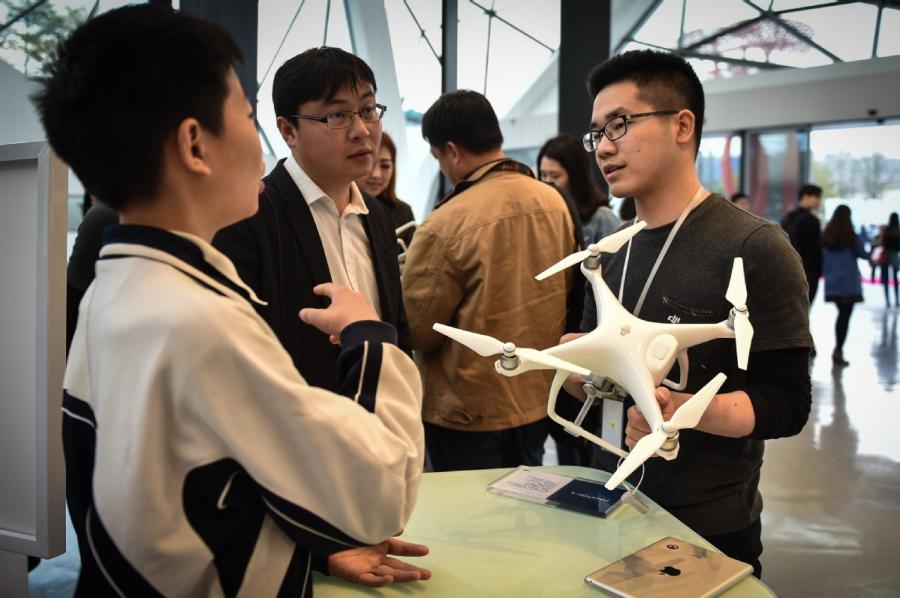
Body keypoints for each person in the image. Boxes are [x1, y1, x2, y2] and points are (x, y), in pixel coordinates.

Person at [36, 6, 428, 595]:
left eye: (368, 110)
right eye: (246, 115)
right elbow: (381, 491)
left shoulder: (118, 287)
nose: (261, 140)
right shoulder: (199, 319)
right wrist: (369, 336)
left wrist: (308, 540)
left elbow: (209, 474)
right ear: (195, 145)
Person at [566, 49, 812, 578]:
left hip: (706, 528)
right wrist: (571, 366)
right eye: (597, 133)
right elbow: (601, 383)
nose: (604, 148)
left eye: (621, 125)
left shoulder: (756, 246)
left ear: (682, 125)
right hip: (605, 503)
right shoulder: (607, 254)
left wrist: (685, 408)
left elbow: (788, 403)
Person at [213, 47, 411, 394]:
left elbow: (395, 326)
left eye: (367, 110)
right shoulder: (251, 215)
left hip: (378, 422)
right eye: (337, 116)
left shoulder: (377, 215)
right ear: (288, 131)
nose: (362, 130)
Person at [402, 90, 579, 472]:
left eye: (437, 158)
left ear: (450, 151)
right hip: (536, 396)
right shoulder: (554, 202)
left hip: (467, 410)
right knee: (523, 514)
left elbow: (419, 329)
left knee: (466, 524)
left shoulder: (446, 221)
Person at [538, 133, 618, 246]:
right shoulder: (543, 218)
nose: (547, 182)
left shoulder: (602, 218)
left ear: (575, 177)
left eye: (555, 176)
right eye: (543, 175)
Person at [821, 205, 868, 366]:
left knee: (841, 314)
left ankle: (832, 349)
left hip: (832, 281)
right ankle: (838, 349)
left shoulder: (826, 236)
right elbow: (863, 254)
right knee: (845, 317)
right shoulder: (851, 236)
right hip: (849, 282)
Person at [355, 131, 416, 250]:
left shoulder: (403, 212)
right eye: (369, 164)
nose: (376, 175)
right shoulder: (341, 210)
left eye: (385, 166)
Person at [781, 184, 823, 305]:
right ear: (806, 196)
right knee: (804, 309)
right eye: (817, 197)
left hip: (787, 269)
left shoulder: (788, 218)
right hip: (808, 272)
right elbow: (815, 249)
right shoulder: (812, 220)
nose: (819, 201)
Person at [876, 212, 900, 307]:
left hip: (885, 255)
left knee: (885, 278)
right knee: (895, 279)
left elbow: (881, 243)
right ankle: (897, 300)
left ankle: (887, 300)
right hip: (894, 255)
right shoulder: (898, 231)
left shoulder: (886, 230)